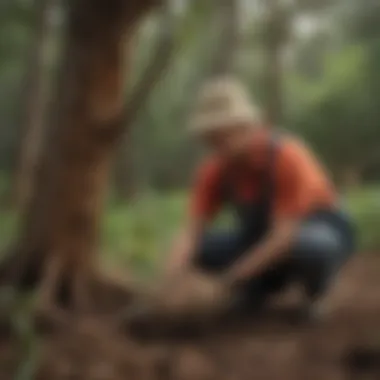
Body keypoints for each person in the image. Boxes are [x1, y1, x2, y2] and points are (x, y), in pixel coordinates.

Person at [166, 77, 356, 321]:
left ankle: (316, 293)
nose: (215, 145)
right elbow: (191, 232)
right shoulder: (214, 169)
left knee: (313, 247)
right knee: (200, 249)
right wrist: (170, 278)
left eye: (221, 136)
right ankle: (257, 291)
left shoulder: (287, 157)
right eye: (209, 138)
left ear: (246, 127)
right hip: (261, 238)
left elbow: (284, 236)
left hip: (311, 232)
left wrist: (227, 282)